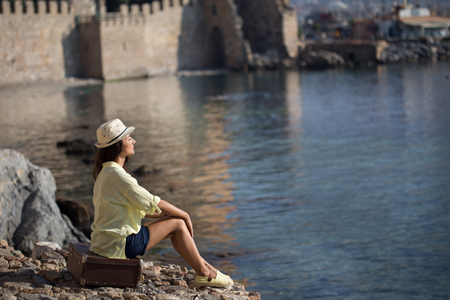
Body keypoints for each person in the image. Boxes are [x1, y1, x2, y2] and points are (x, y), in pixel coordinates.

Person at [89, 119, 233, 288]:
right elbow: (152, 201)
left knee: (175, 223)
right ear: (118, 145)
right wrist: (184, 215)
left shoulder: (106, 173)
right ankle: (206, 273)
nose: (133, 141)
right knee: (178, 224)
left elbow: (142, 209)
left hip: (105, 244)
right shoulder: (119, 177)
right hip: (120, 245)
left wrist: (171, 214)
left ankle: (207, 269)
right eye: (129, 138)